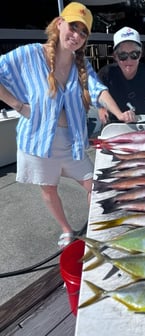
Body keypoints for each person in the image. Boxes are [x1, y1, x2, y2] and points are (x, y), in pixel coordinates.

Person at [0, 3, 136, 249]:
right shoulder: (30, 54)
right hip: (37, 141)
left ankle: (100, 226)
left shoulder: (81, 65)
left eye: (83, 32)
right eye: (74, 27)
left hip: (70, 140)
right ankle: (66, 229)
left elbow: (99, 91)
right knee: (49, 190)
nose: (77, 36)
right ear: (59, 23)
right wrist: (18, 106)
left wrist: (119, 113)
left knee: (95, 185)